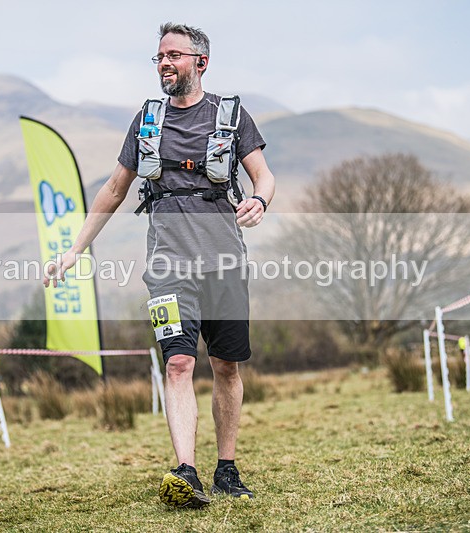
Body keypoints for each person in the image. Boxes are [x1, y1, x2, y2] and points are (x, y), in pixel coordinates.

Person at [44, 22, 275, 509]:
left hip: (224, 262)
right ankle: (186, 471)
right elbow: (113, 190)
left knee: (227, 365)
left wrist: (259, 201)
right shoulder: (146, 121)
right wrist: (74, 249)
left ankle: (227, 470)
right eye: (159, 57)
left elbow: (264, 175)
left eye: (174, 55)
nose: (165, 63)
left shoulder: (231, 116)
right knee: (178, 362)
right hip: (167, 264)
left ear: (200, 63)